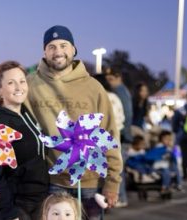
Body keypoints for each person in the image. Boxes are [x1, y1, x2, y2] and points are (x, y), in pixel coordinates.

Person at [25, 25, 122, 219]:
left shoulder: (93, 87)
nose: (58, 51)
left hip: (89, 181)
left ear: (73, 49)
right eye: (51, 46)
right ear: (44, 51)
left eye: (63, 45)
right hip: (50, 181)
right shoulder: (30, 84)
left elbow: (109, 134)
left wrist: (113, 181)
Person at [0, 61, 49, 220]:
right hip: (17, 206)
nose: (19, 87)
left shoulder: (26, 113)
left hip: (38, 200)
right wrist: (8, 212)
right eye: (10, 83)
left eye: (22, 81)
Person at [105, 69, 132, 207]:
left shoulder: (118, 92)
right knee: (117, 167)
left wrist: (122, 135)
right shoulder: (120, 92)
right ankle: (121, 197)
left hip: (119, 136)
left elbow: (125, 116)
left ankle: (120, 198)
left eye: (111, 78)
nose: (109, 82)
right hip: (121, 135)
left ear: (118, 77)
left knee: (116, 167)